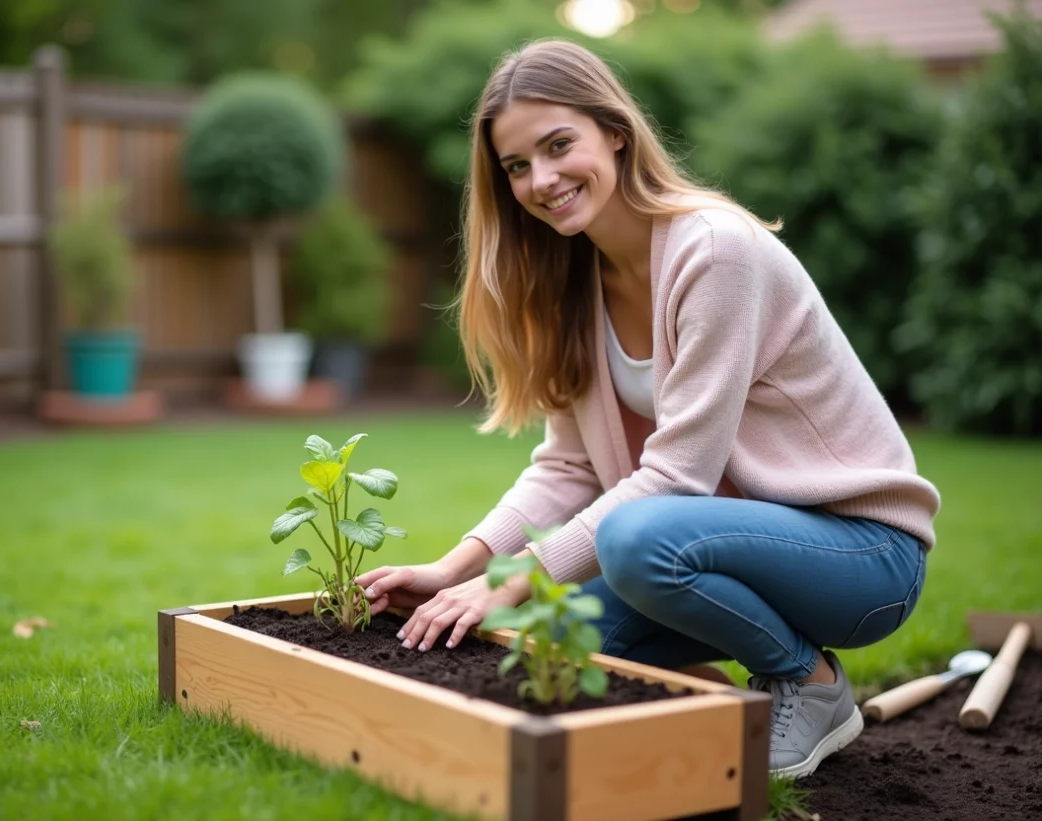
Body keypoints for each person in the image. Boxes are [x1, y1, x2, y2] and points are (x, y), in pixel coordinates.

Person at [355, 38, 940, 780]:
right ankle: (724, 699)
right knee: (550, 646)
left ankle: (808, 680)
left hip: (862, 555)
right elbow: (567, 465)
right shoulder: (574, 281)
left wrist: (517, 574)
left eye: (559, 144)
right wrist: (460, 566)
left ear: (617, 132)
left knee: (631, 539)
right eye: (516, 166)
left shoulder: (715, 252)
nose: (542, 178)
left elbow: (675, 479)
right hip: (727, 544)